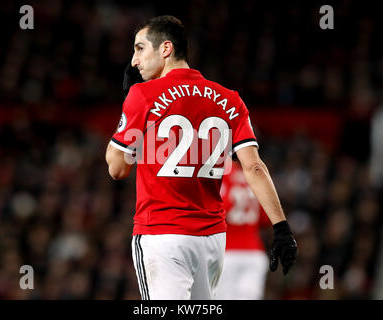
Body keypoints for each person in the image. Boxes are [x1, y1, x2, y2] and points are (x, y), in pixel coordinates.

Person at [105, 15, 297, 300]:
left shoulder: (142, 96)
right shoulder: (230, 99)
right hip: (213, 241)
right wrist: (281, 227)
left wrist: (128, 106)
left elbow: (117, 169)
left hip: (162, 233)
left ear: (166, 49)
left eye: (140, 48)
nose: (134, 60)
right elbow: (254, 167)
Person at [216, 161, 272, 300]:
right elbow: (266, 218)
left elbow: (218, 211)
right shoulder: (256, 175)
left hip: (228, 252)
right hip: (255, 252)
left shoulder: (222, 174)